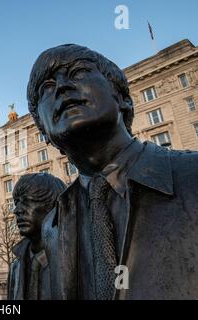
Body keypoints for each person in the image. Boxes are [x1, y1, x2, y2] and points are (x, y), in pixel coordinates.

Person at [27, 44, 198, 299]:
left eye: (79, 72)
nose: (61, 87)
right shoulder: (53, 223)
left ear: (123, 98)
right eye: (47, 88)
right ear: (44, 134)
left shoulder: (192, 175)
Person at [8, 173, 66, 300]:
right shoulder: (15, 267)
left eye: (27, 201)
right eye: (16, 202)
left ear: (53, 206)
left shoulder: (73, 261)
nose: (17, 210)